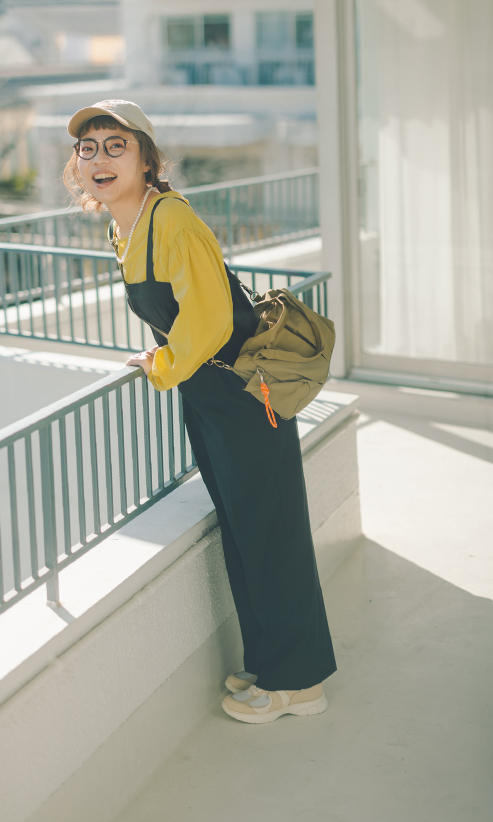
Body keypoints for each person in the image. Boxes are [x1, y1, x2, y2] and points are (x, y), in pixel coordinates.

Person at [64, 100, 337, 724]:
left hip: (244, 396)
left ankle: (299, 685)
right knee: (245, 535)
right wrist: (164, 350)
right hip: (213, 396)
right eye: (88, 149)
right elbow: (184, 312)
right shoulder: (124, 224)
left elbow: (211, 320)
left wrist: (163, 366)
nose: (99, 159)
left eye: (116, 146)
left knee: (272, 535)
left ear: (147, 160)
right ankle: (272, 662)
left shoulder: (171, 221)